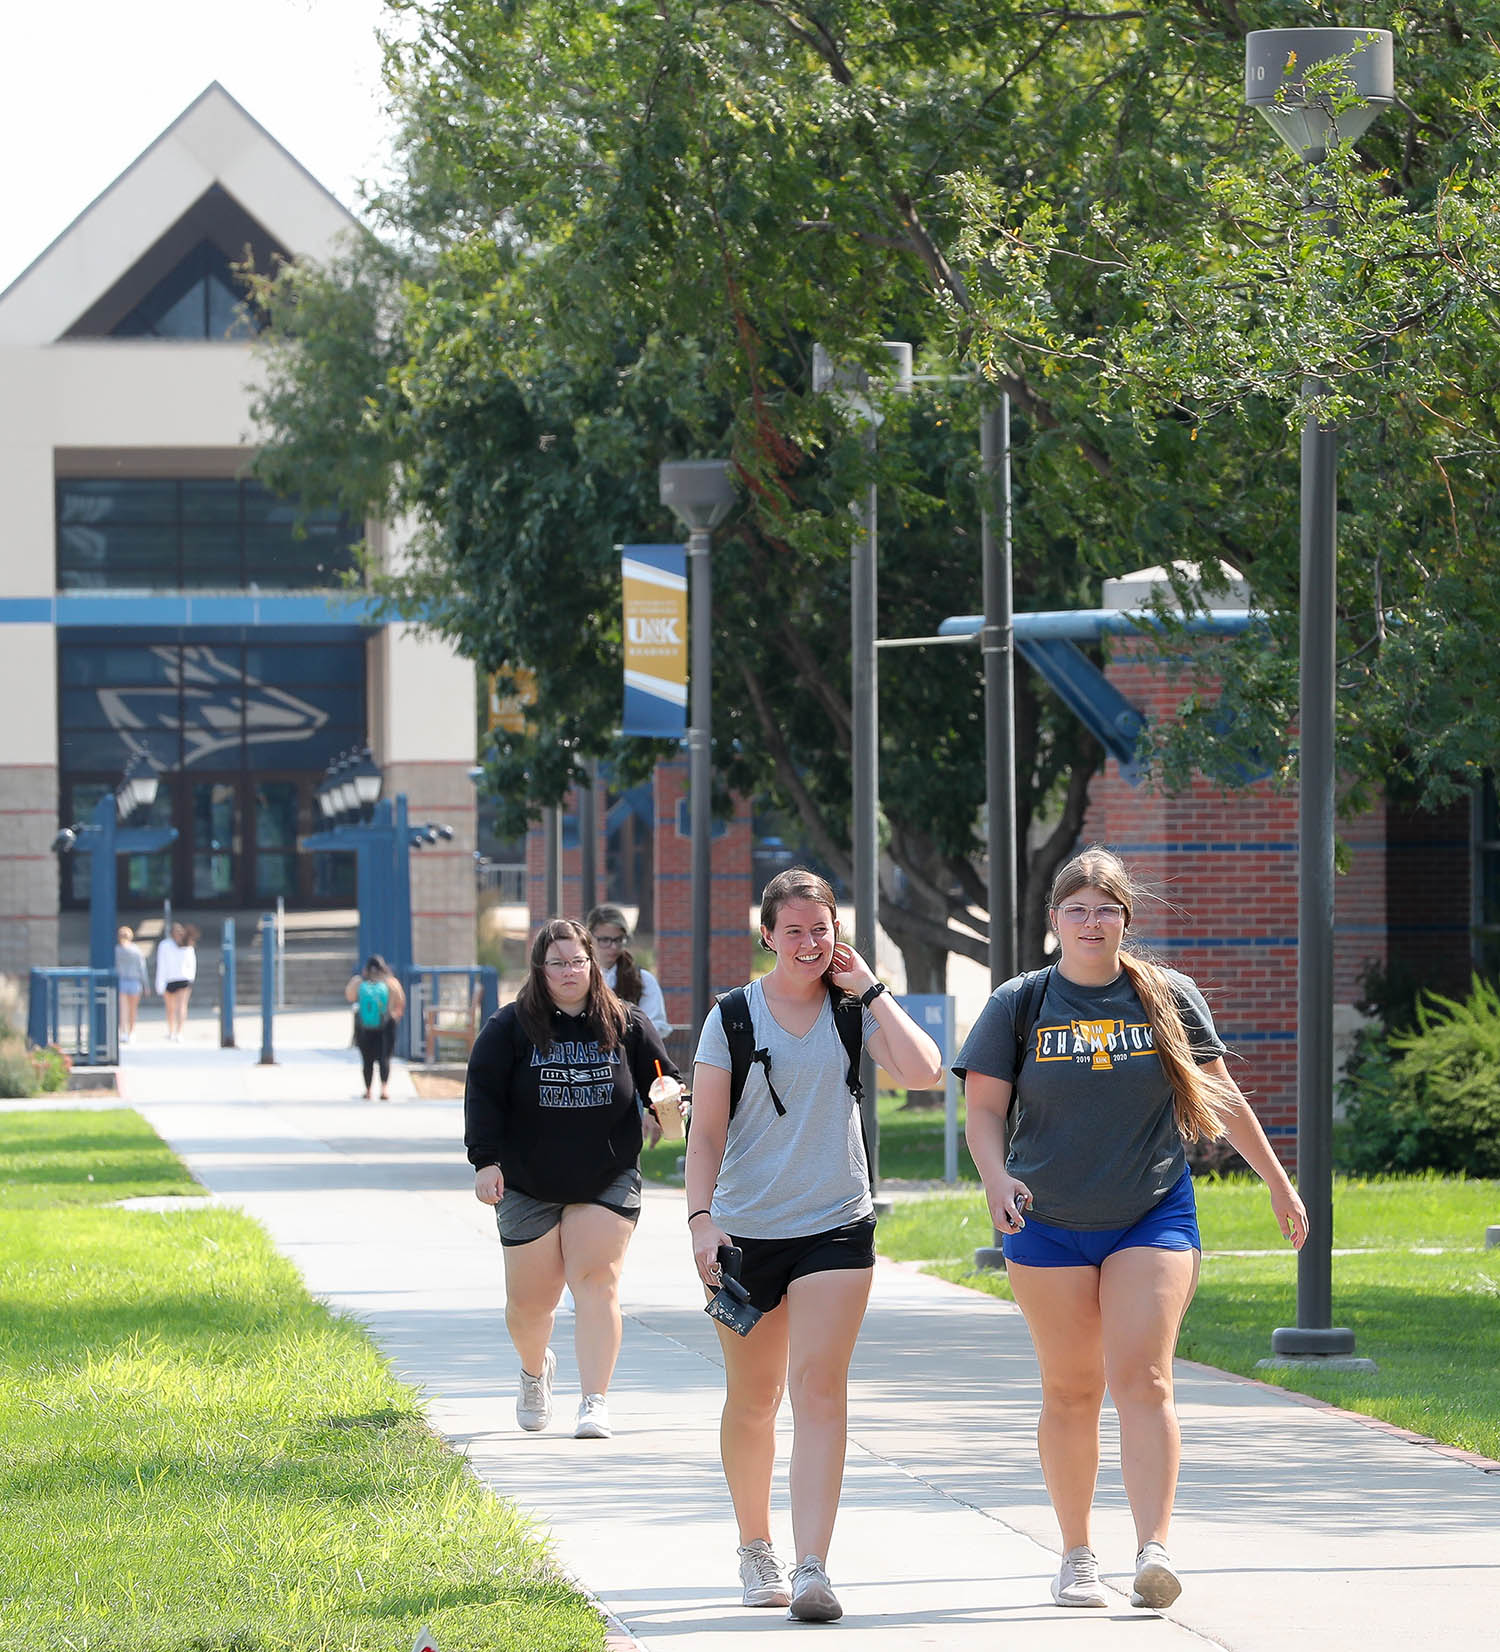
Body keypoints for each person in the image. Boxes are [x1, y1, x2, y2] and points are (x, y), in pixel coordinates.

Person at [954, 845, 1308, 1614]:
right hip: (1045, 1220)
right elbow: (983, 1109)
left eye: (1106, 910)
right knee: (1071, 1388)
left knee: (1144, 1378)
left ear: (1125, 918)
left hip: (1151, 1212)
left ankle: (1154, 1551)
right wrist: (994, 1177)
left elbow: (1222, 1095)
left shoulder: (1166, 996)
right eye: (1077, 910)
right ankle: (1076, 1555)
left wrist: (1278, 1182)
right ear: (1054, 919)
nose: (1092, 923)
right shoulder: (1020, 1002)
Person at [687, 868, 943, 1623]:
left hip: (836, 1221)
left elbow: (925, 1072)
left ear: (838, 933)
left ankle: (812, 1568)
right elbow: (705, 1134)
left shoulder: (851, 1009)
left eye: (820, 929)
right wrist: (700, 1220)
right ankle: (755, 1546)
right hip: (746, 1231)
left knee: (820, 1389)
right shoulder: (732, 1017)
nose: (808, 943)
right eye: (793, 930)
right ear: (767, 935)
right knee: (755, 1398)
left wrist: (872, 989)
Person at [465, 917, 678, 1441]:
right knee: (529, 1307)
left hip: (608, 1174)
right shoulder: (509, 1027)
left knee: (597, 1283)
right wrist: (485, 1161)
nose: (568, 971)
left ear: (592, 964)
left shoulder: (625, 1022)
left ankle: (594, 1401)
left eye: (577, 961)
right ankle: (534, 1371)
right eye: (557, 963)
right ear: (540, 969)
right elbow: (483, 1095)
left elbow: (664, 1077)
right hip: (526, 1181)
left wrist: (668, 1103)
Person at [585, 903, 672, 1039]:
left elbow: (655, 1026)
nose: (613, 946)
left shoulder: (642, 979)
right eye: (605, 940)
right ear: (589, 938)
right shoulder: (578, 977)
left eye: (619, 939)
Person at [344, 955, 406, 1100]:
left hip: (365, 1028)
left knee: (367, 1060)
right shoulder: (391, 982)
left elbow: (350, 996)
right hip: (386, 1026)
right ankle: (384, 1089)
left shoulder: (359, 982)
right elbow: (400, 1002)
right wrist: (394, 1017)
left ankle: (368, 1090)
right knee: (385, 1058)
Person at [154, 922, 198, 1042]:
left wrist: (160, 983)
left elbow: (161, 965)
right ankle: (178, 1032)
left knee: (171, 1007)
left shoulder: (166, 945)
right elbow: (192, 964)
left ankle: (172, 1031)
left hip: (171, 979)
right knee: (181, 1006)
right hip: (183, 978)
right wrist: (191, 977)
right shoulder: (187, 945)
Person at [114, 925, 148, 1044]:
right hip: (134, 981)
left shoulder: (116, 950)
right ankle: (131, 1032)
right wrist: (146, 985)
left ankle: (123, 1032)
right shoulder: (136, 950)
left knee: (123, 1009)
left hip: (122, 980)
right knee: (133, 1009)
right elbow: (142, 968)